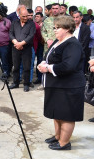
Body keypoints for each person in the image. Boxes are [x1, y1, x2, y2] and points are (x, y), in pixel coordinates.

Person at [37, 16, 86, 150]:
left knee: (66, 115)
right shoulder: (58, 41)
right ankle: (58, 136)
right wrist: (43, 63)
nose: (55, 30)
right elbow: (48, 57)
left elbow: (68, 65)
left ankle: (65, 142)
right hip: (57, 84)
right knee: (57, 113)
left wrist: (48, 68)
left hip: (69, 86)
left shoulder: (72, 44)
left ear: (67, 29)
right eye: (55, 27)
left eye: (57, 28)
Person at [9, 6, 36, 92]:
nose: (25, 18)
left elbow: (31, 36)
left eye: (27, 16)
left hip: (26, 48)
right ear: (19, 15)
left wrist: (21, 43)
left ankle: (26, 84)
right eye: (23, 16)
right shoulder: (14, 22)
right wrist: (15, 42)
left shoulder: (31, 24)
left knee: (27, 67)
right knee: (16, 66)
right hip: (15, 47)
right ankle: (15, 83)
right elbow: (10, 33)